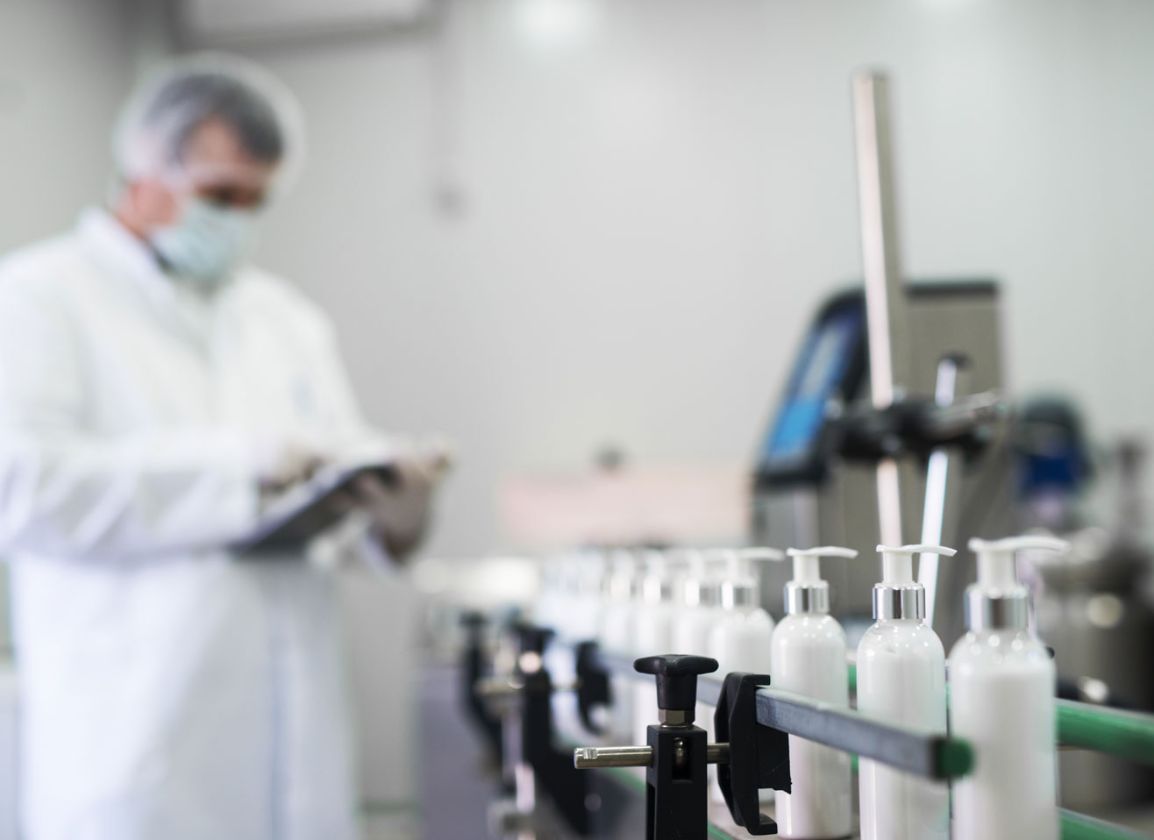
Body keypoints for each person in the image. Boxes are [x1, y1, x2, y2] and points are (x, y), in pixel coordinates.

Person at [0, 55, 440, 840]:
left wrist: (394, 518)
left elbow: (332, 507)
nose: (236, 219)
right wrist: (237, 466)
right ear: (142, 174)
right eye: (218, 196)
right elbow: (24, 486)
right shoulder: (38, 298)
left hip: (292, 752)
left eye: (255, 200)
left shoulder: (283, 318)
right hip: (134, 751)